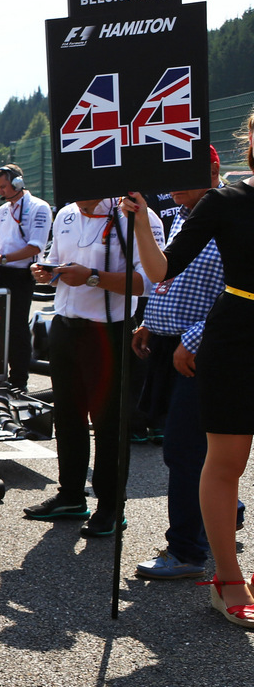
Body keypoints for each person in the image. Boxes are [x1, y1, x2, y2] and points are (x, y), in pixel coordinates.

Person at [121, 108, 254, 627]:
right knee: (225, 461)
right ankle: (227, 579)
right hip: (238, 335)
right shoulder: (226, 200)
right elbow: (161, 271)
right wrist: (139, 221)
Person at [23, 196, 163, 538]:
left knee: (108, 422)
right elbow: (57, 262)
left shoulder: (136, 214)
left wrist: (92, 278)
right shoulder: (67, 213)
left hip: (109, 329)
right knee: (67, 415)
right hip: (66, 325)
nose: (81, 202)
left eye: (88, 195)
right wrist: (47, 272)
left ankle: (111, 507)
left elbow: (147, 282)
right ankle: (71, 494)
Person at [130, 147, 233, 581]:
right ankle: (220, 518)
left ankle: (187, 550)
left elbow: (237, 290)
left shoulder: (229, 213)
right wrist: (149, 322)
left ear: (213, 170)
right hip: (171, 342)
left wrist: (192, 340)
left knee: (184, 450)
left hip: (205, 347)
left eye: (182, 176)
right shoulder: (178, 215)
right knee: (197, 447)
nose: (171, 187)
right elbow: (168, 277)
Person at [0, 165, 51, 391]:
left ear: (18, 183)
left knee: (18, 328)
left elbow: (35, 247)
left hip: (22, 274)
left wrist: (1, 258)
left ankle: (19, 379)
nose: (1, 191)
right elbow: (2, 241)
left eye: (4, 186)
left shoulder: (39, 207)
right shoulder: (3, 210)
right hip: (1, 273)